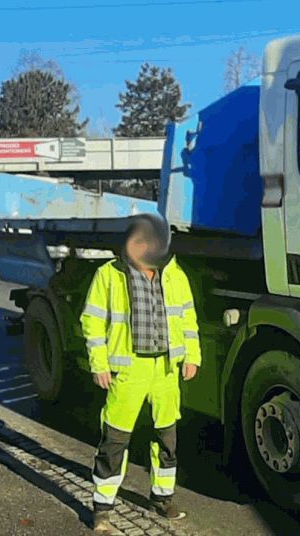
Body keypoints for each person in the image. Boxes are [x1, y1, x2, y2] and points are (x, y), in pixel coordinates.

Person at [80, 214, 201, 533]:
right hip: (128, 369)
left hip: (165, 369)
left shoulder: (175, 275)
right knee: (115, 440)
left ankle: (162, 499)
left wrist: (193, 357)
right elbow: (92, 322)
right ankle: (102, 507)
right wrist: (99, 363)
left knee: (167, 438)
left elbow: (188, 319)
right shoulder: (109, 274)